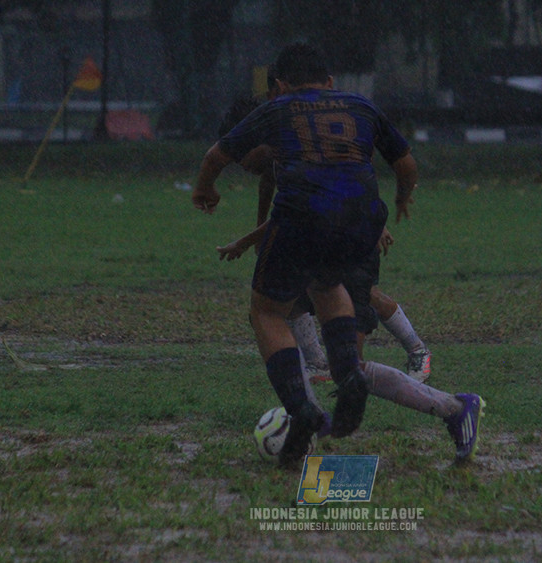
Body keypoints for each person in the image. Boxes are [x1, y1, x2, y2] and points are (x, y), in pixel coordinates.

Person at [193, 43, 482, 467]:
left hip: (326, 236)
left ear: (280, 89)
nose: (252, 170)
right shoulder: (341, 118)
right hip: (348, 232)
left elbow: (237, 170)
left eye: (250, 163)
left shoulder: (279, 124)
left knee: (283, 319)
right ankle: (309, 411)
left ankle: (453, 408)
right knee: (303, 315)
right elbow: (393, 167)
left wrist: (209, 194)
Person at [218, 76, 433, 385]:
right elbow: (270, 188)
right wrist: (257, 227)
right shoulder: (279, 152)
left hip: (350, 229)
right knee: (291, 295)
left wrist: (378, 222)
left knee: (357, 303)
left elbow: (354, 176)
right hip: (321, 230)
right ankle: (319, 363)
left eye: (242, 156)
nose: (241, 165)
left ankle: (416, 350)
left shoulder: (299, 144)